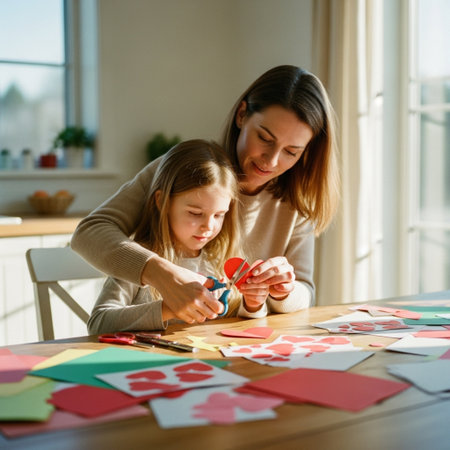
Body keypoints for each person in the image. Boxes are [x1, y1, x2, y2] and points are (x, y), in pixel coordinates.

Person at [72, 64, 340, 325]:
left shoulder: (296, 202)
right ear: (242, 114)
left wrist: (284, 291)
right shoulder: (183, 170)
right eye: (265, 139)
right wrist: (162, 273)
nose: (271, 161)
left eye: (291, 152)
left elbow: (305, 292)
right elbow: (89, 233)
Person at [87, 139, 269, 334]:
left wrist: (253, 305)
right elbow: (99, 324)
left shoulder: (220, 258)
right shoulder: (138, 260)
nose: (208, 226)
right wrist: (168, 309)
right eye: (195, 213)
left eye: (218, 215)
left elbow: (236, 320)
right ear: (161, 201)